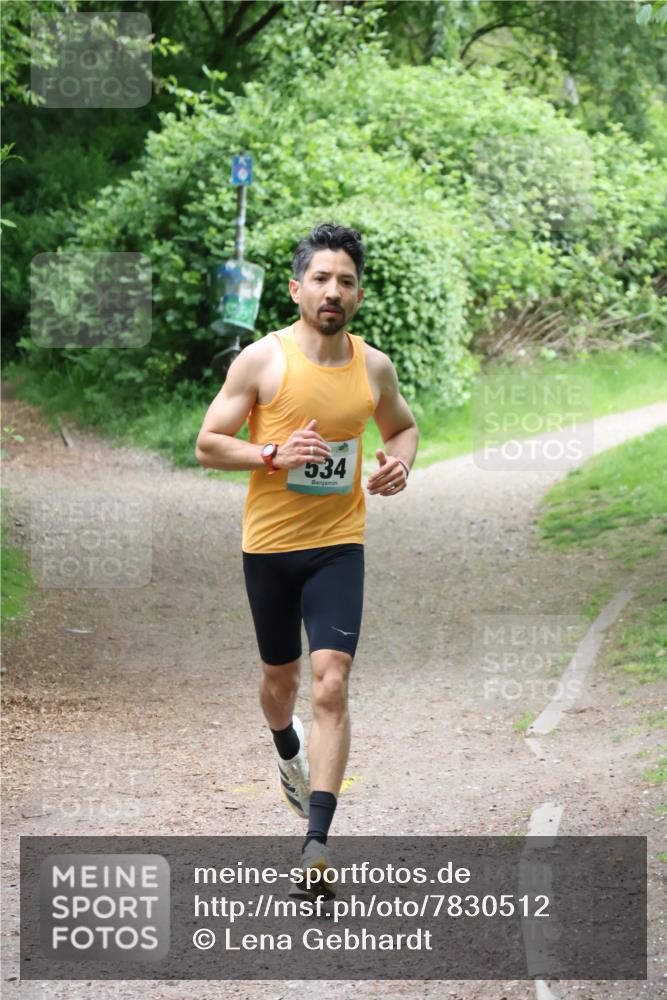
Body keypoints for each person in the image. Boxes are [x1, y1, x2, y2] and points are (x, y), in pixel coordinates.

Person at [195, 223, 419, 897]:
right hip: (269, 548)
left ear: (358, 295)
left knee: (329, 683)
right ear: (297, 289)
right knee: (280, 682)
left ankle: (315, 845)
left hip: (337, 547)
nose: (333, 291)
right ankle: (286, 747)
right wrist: (271, 453)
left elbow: (403, 428)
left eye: (345, 281)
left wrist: (399, 463)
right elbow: (207, 444)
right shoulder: (262, 361)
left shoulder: (373, 367)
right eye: (321, 278)